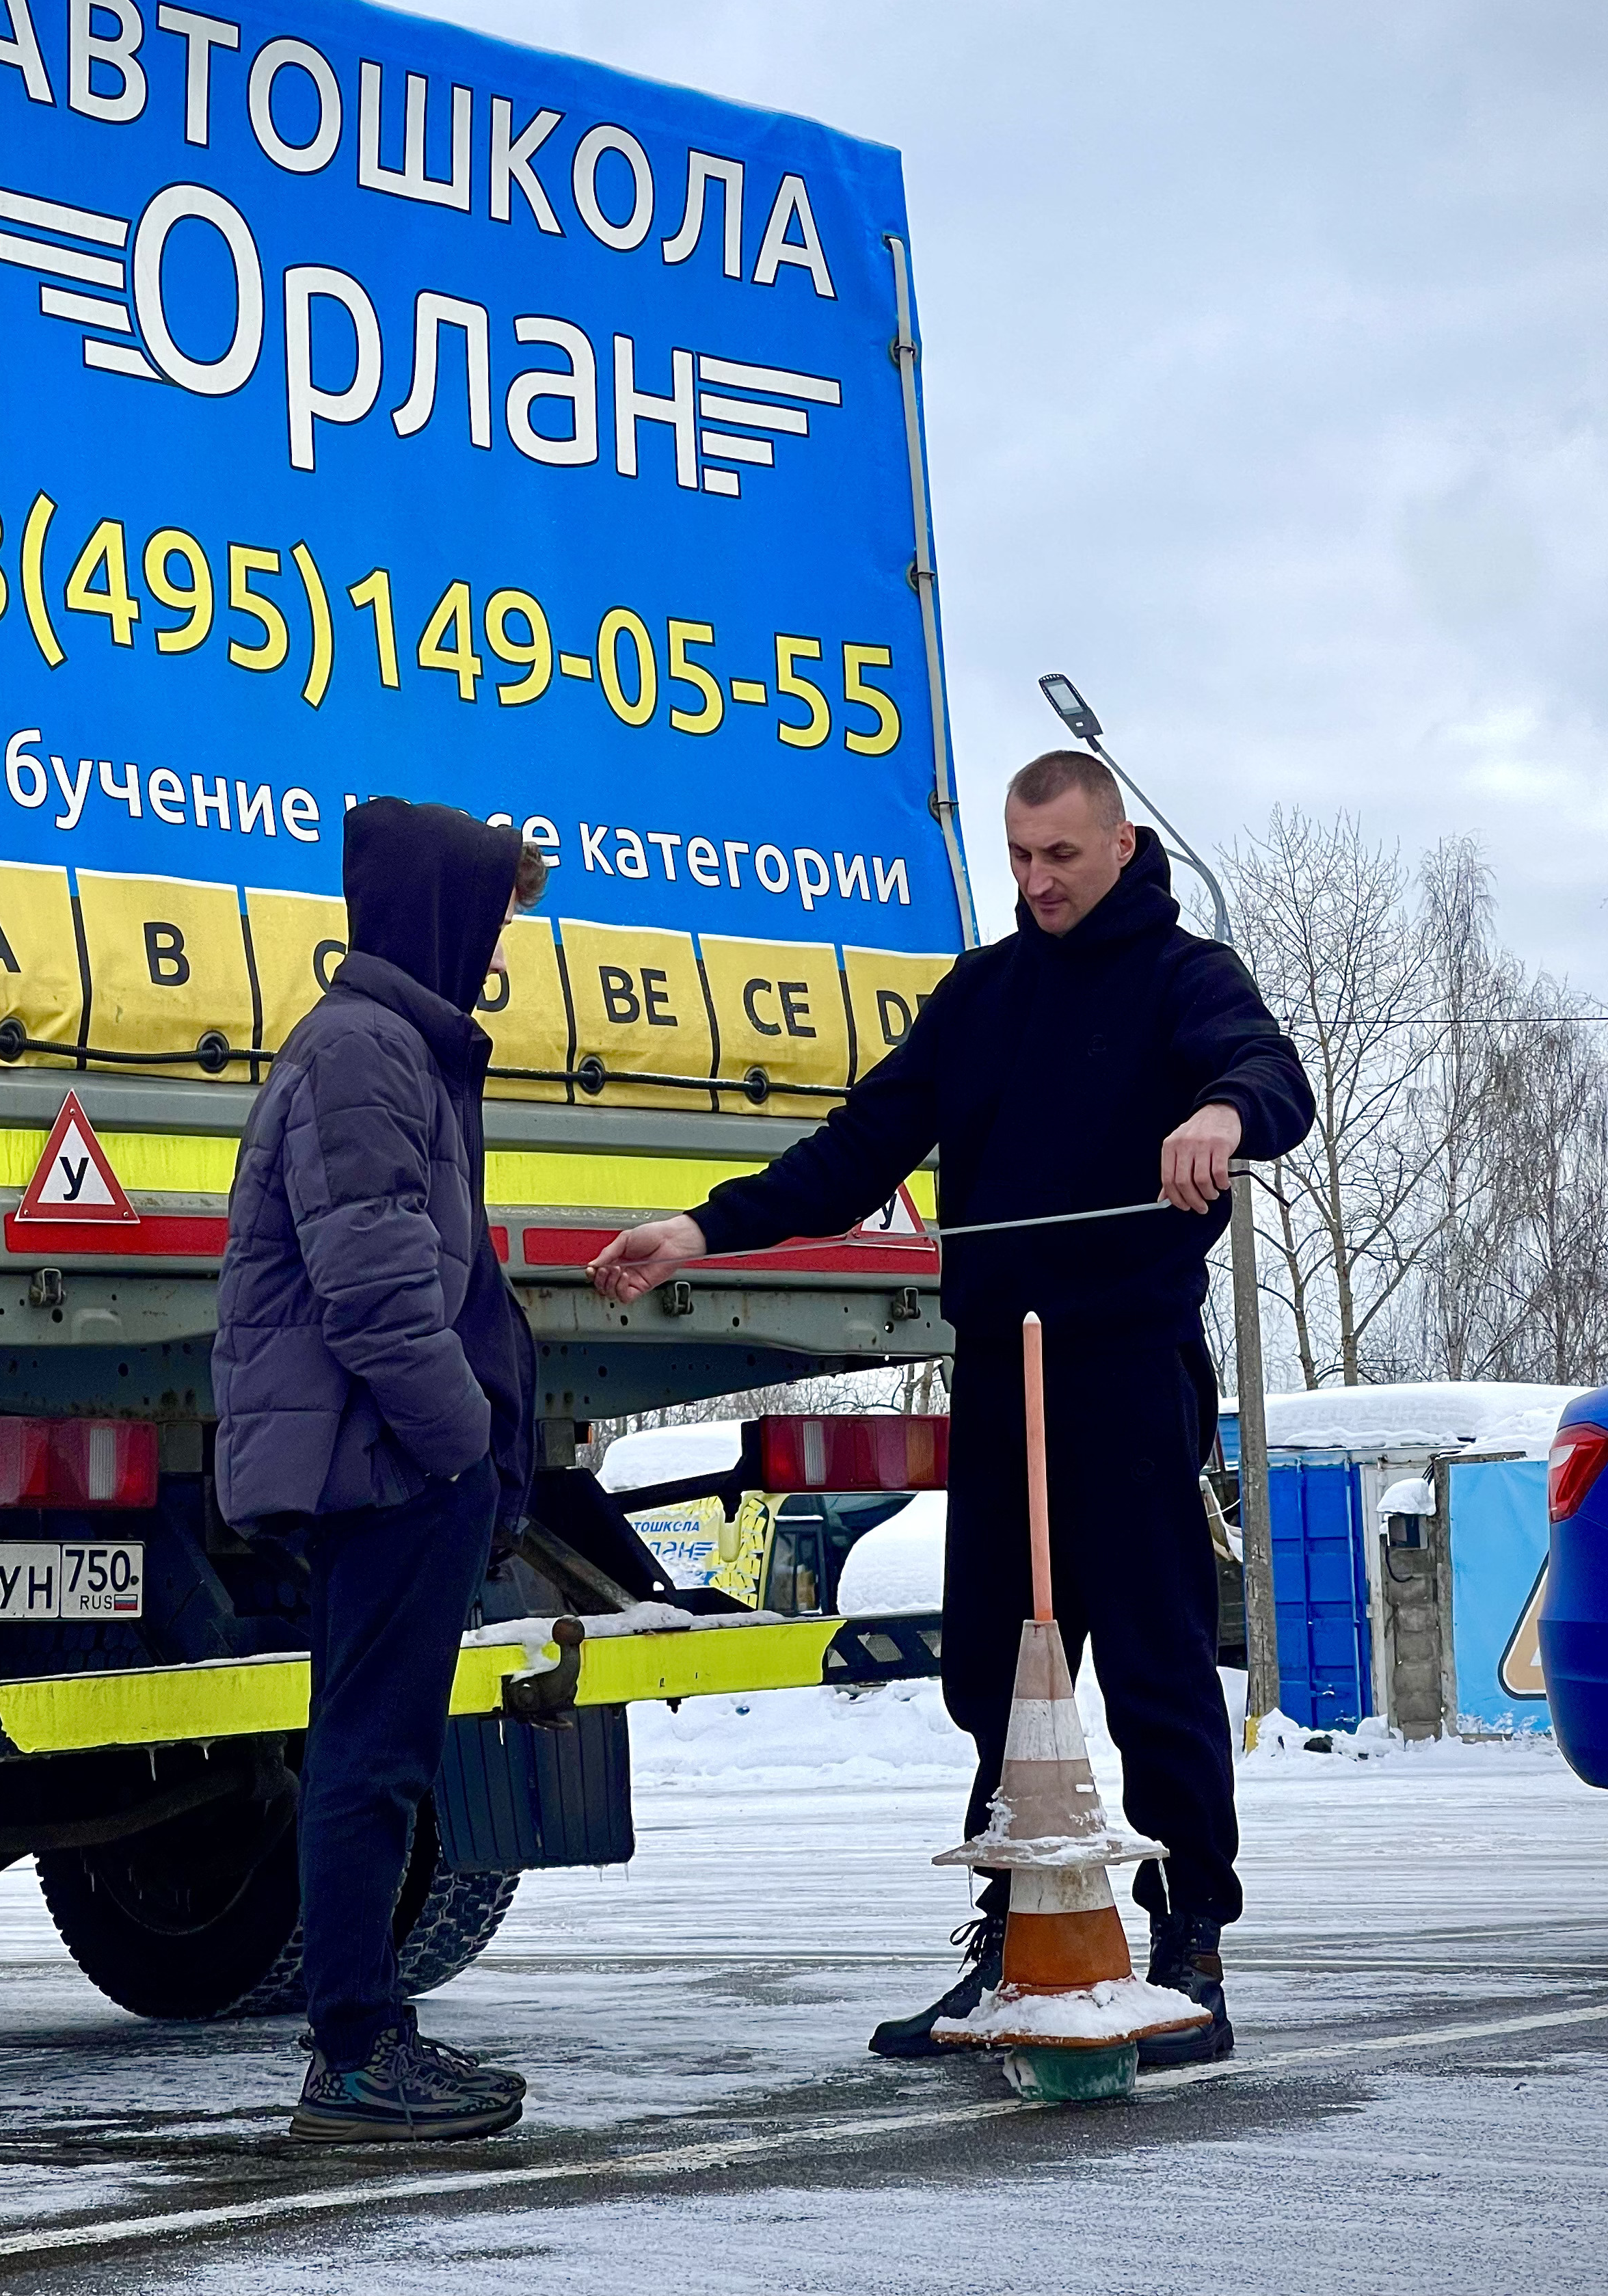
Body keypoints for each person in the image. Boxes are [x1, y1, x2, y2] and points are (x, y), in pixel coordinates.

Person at [588, 751, 1314, 2068]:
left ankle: (1190, 1940)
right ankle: (1014, 1939)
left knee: (1154, 1667)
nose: (1037, 881)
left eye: (1062, 856)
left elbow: (1272, 1076)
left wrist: (1219, 1110)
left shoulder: (1185, 976)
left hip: (1127, 1368)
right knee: (996, 1672)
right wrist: (699, 1229)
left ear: (1121, 845)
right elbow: (856, 1150)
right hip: (998, 1372)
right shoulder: (980, 995)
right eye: (1019, 856)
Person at [212, 798, 544, 2141]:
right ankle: (354, 2058)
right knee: (369, 1761)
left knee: (378, 1756)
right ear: (438, 916)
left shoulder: (396, 1045)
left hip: (398, 1460)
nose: (495, 950)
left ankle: (368, 2039)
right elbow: (376, 1297)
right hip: (393, 1464)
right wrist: (462, 1447)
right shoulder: (364, 1051)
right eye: (488, 918)